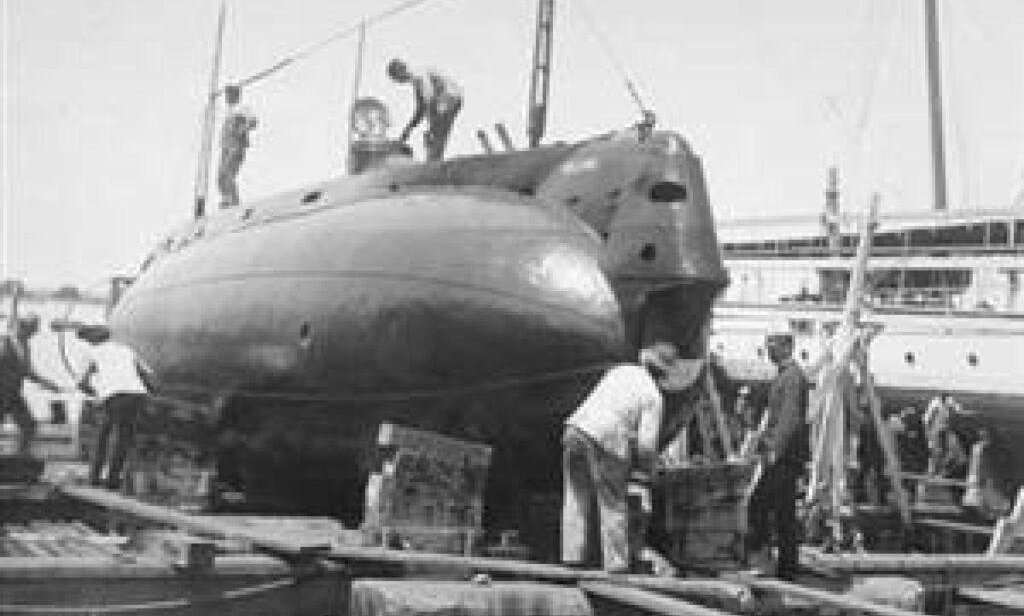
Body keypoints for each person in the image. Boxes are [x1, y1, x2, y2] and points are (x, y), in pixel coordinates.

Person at [561, 342, 703, 572]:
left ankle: (572, 558)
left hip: (575, 429)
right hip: (606, 438)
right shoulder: (653, 396)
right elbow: (646, 447)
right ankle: (616, 566)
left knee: (576, 497)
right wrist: (651, 472)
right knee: (613, 503)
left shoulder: (620, 371)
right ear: (665, 375)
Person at [748, 332, 810, 580]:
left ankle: (765, 561)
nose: (768, 351)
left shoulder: (792, 378)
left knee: (758, 505)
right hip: (784, 454)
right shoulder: (786, 376)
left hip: (784, 456)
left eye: (771, 345)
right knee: (784, 512)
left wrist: (775, 449)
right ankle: (787, 567)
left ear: (786, 346)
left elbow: (789, 418)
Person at [76, 326, 153, 489]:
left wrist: (96, 392)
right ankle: (112, 480)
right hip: (137, 395)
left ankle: (94, 478)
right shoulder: (126, 349)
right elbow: (148, 374)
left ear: (91, 340)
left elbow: (81, 383)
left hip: (114, 396)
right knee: (123, 439)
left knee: (103, 435)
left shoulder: (92, 352)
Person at [0, 315, 62, 456]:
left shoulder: (25, 346)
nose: (32, 335)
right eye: (31, 331)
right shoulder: (3, 343)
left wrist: (48, 384)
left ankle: (19, 458)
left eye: (34, 332)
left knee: (29, 426)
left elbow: (27, 371)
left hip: (14, 395)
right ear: (21, 327)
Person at [387, 59, 463, 161]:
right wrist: (407, 131)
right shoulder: (416, 81)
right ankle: (434, 157)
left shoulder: (419, 76)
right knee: (434, 133)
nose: (399, 82)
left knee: (435, 133)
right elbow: (420, 109)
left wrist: (432, 124)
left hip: (450, 97)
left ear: (402, 71)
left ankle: (434, 159)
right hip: (447, 99)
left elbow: (430, 100)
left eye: (397, 78)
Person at [217, 84, 259, 208]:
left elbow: (253, 121)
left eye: (230, 94)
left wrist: (242, 130)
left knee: (228, 172)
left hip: (236, 144)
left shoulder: (243, 108)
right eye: (227, 95)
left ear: (236, 95)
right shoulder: (229, 111)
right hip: (226, 146)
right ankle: (226, 199)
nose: (227, 98)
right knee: (221, 176)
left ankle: (234, 202)